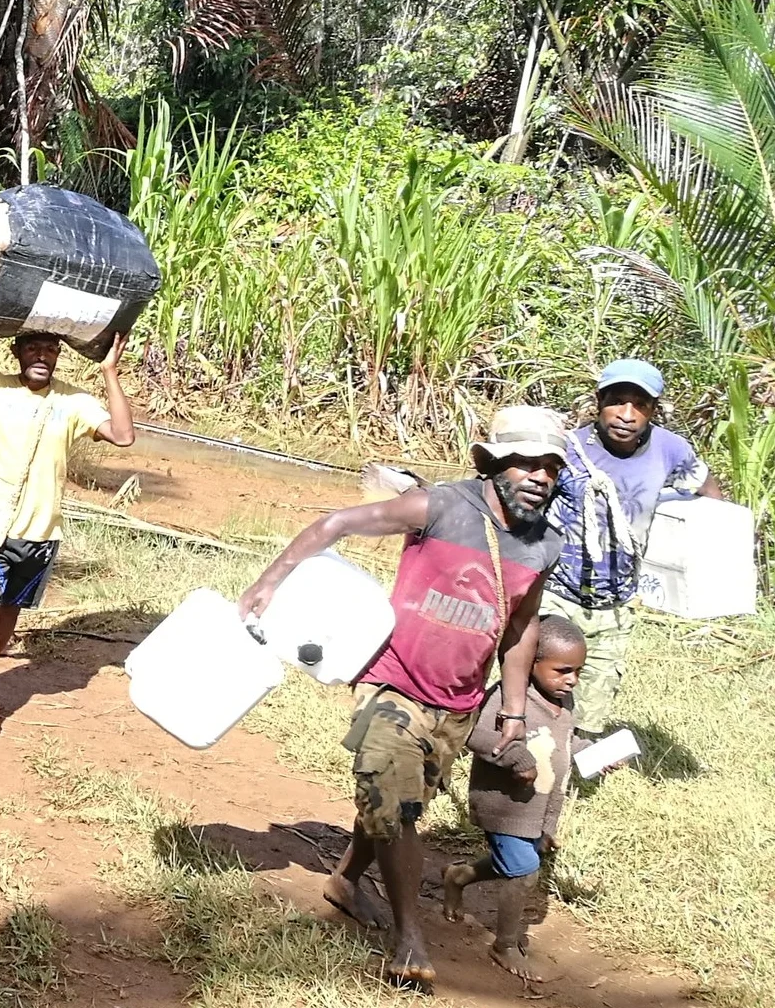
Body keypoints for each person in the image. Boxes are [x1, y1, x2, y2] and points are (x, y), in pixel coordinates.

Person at [236, 406, 566, 987]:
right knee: (395, 805)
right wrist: (270, 580)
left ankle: (344, 880)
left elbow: (521, 628)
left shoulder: (543, 546)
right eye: (526, 464)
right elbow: (336, 524)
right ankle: (408, 934)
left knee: (399, 806)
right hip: (394, 687)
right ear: (495, 465)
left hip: (458, 706)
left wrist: (513, 706)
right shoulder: (439, 506)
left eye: (550, 468)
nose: (539, 477)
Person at [0, 295, 135, 747]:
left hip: (40, 532)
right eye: (33, 347)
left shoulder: (73, 403)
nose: (42, 356)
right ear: (17, 352)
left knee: (8, 620)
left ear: (58, 356)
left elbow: (122, 435)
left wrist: (110, 374)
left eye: (51, 349)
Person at [545, 359, 723, 739]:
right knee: (543, 680)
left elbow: (707, 490)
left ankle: (574, 763)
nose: (626, 415)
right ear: (599, 402)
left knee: (594, 699)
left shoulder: (670, 449)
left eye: (639, 405)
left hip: (616, 599)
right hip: (557, 591)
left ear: (653, 410)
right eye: (617, 401)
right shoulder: (570, 449)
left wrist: (715, 547)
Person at [439, 614, 587, 983]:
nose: (571, 680)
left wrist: (594, 753)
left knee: (516, 861)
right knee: (524, 871)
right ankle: (504, 944)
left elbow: (566, 743)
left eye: (578, 671)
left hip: (539, 809)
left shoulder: (564, 703)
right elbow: (472, 733)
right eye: (563, 670)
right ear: (530, 663)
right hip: (505, 805)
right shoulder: (508, 698)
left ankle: (458, 877)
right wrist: (514, 755)